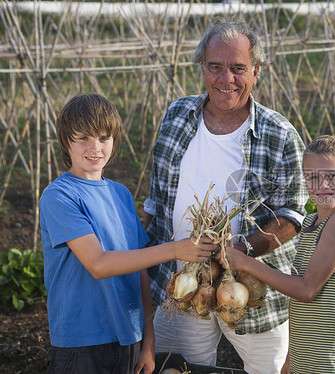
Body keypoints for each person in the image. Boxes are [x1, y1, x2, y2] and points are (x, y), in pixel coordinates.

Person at [143, 18, 308, 374]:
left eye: (237, 69)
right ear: (202, 67)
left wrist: (244, 251)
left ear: (256, 71)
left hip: (251, 287)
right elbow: (156, 201)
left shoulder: (279, 134)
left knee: (268, 368)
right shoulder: (176, 115)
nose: (226, 79)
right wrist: (147, 267)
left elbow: (293, 214)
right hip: (183, 285)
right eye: (215, 67)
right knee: (177, 367)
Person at [39, 93, 216, 374]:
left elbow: (140, 270)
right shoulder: (60, 196)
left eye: (103, 137)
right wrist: (174, 250)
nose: (95, 147)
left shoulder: (120, 194)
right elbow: (97, 264)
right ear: (65, 141)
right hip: (81, 341)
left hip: (129, 336)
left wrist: (148, 337)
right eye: (83, 138)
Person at [220, 135, 335, 374]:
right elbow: (297, 300)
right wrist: (291, 357)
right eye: (313, 177)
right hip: (309, 360)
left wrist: (246, 263)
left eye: (331, 176)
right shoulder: (312, 223)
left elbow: (306, 290)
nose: (322, 185)